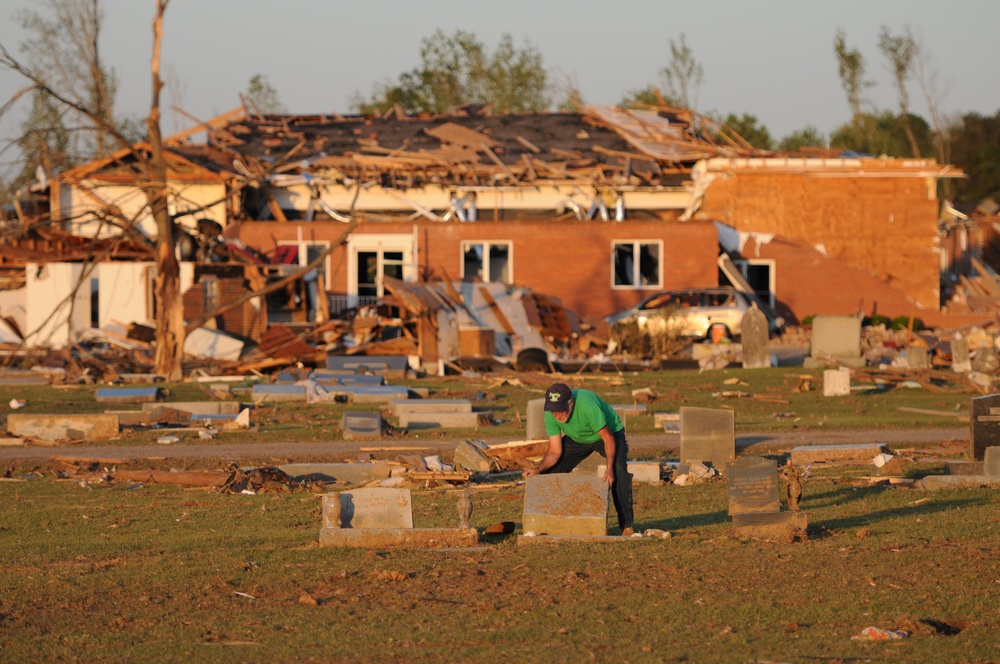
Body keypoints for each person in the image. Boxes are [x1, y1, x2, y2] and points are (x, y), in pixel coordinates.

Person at [523, 383, 635, 536]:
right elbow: (555, 451)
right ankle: (547, 521)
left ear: (571, 403)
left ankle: (627, 526)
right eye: (554, 411)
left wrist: (609, 468)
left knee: (618, 472)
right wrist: (538, 469)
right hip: (578, 438)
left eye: (561, 410)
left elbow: (607, 437)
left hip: (609, 434)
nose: (558, 415)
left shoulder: (587, 405)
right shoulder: (551, 414)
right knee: (547, 471)